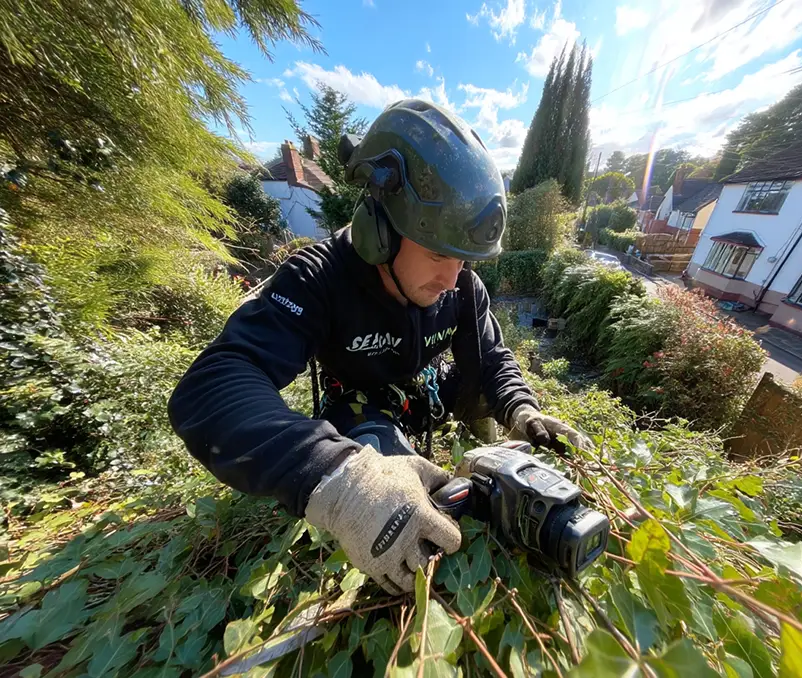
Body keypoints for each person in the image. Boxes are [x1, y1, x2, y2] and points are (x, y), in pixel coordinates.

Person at [168, 99, 593, 595]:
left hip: (425, 387)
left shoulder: (460, 285)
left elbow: (491, 357)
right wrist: (340, 478)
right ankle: (385, 475)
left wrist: (521, 412)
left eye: (464, 260)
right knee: (388, 475)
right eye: (439, 253)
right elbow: (211, 387)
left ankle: (487, 463)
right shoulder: (318, 279)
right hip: (361, 405)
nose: (453, 278)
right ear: (381, 230)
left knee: (488, 410)